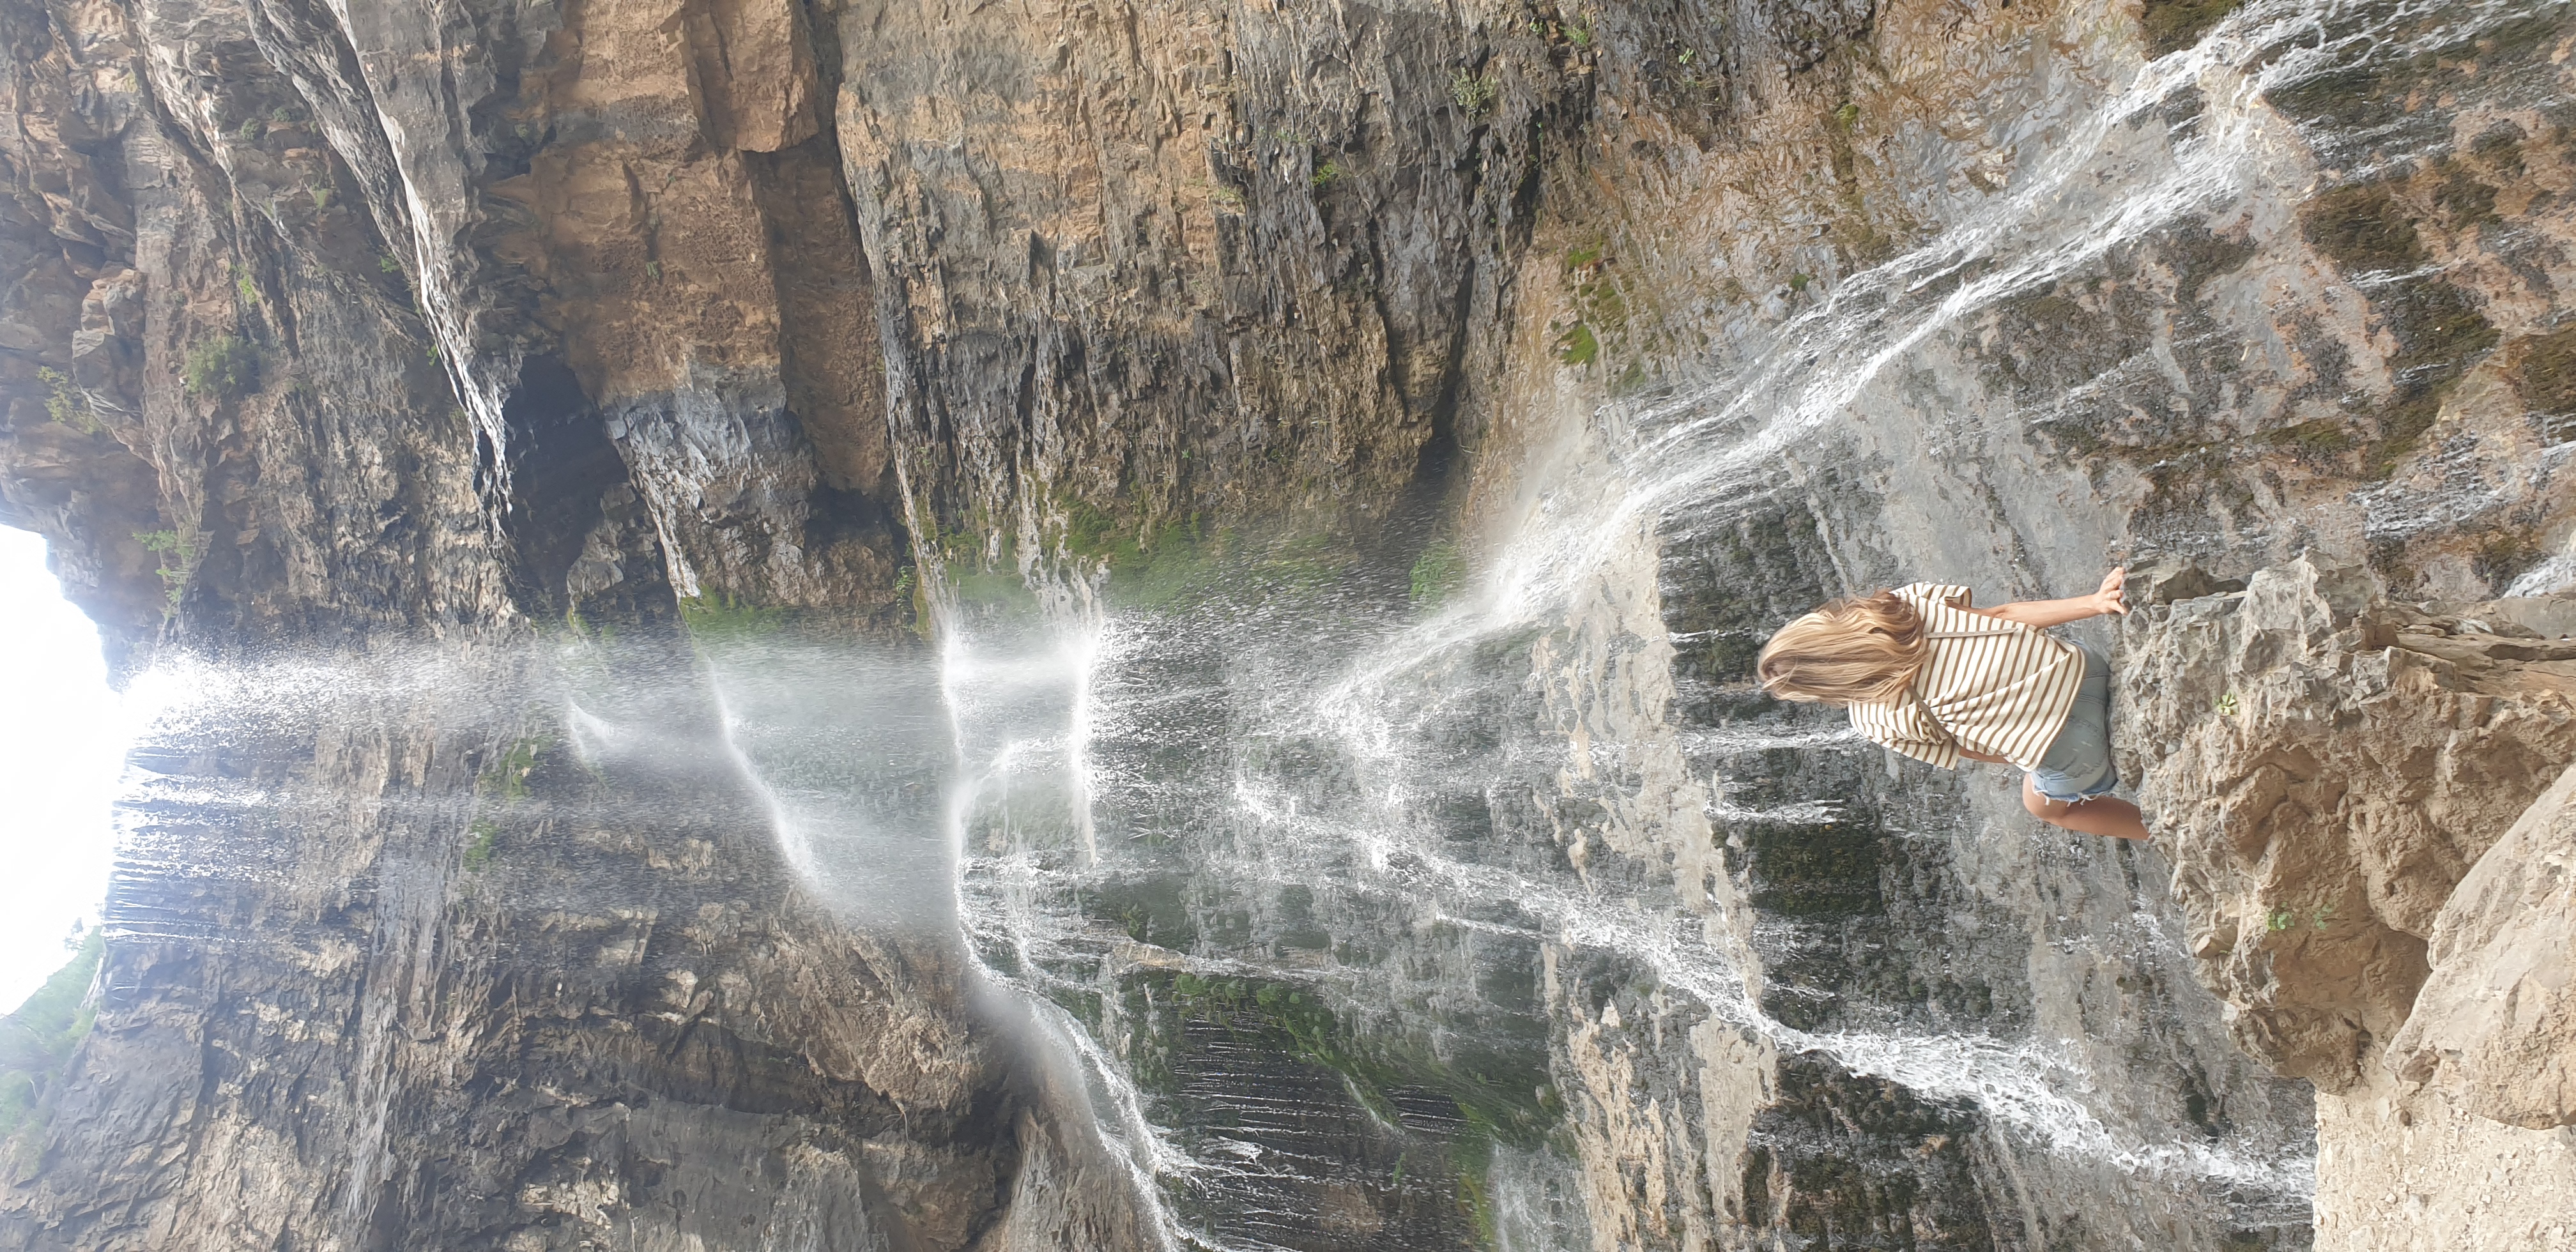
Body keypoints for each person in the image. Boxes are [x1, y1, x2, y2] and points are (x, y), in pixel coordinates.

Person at [1754, 568, 2147, 841]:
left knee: (2043, 807)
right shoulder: (1900, 605)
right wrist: (2095, 602)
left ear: (1824, 689)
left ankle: (2156, 828)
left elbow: (1979, 751)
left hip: (2078, 747)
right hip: (2083, 669)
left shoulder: (1872, 722)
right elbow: (2006, 616)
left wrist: (2033, 743)